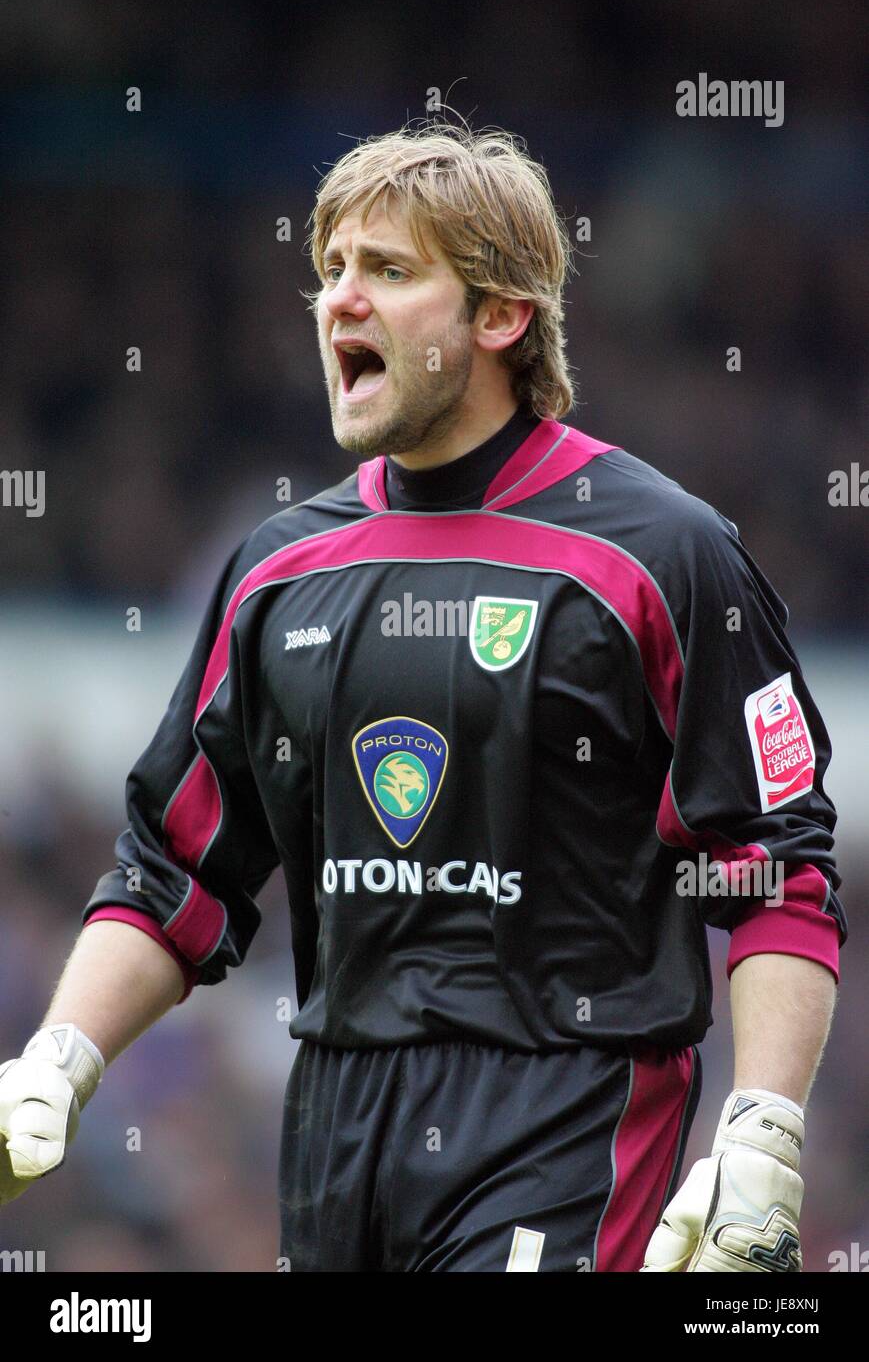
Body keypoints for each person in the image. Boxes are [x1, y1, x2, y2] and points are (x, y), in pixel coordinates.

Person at [0, 122, 845, 1272]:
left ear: (499, 318)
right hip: (336, 1131)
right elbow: (175, 872)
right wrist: (59, 1058)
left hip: (566, 1120)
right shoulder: (276, 571)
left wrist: (763, 1129)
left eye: (389, 272)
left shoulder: (661, 556)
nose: (340, 302)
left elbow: (775, 867)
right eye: (331, 271)